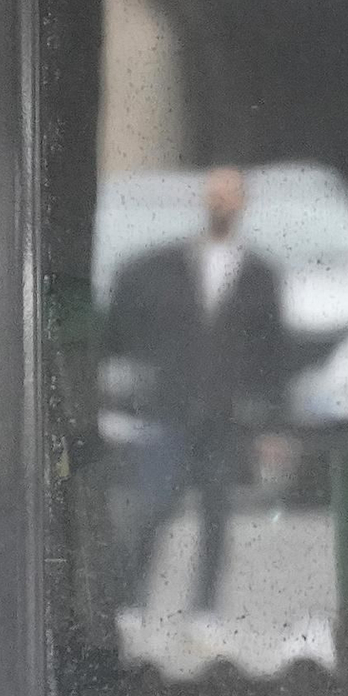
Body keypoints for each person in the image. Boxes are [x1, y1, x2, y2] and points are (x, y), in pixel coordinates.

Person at [99, 166, 285, 611]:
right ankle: (133, 601)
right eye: (213, 194)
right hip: (170, 408)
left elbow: (273, 352)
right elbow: (131, 328)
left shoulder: (258, 274)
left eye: (229, 195)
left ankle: (205, 608)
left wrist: (273, 420)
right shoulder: (167, 267)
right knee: (152, 507)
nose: (220, 203)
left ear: (242, 203)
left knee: (216, 513)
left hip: (226, 412)